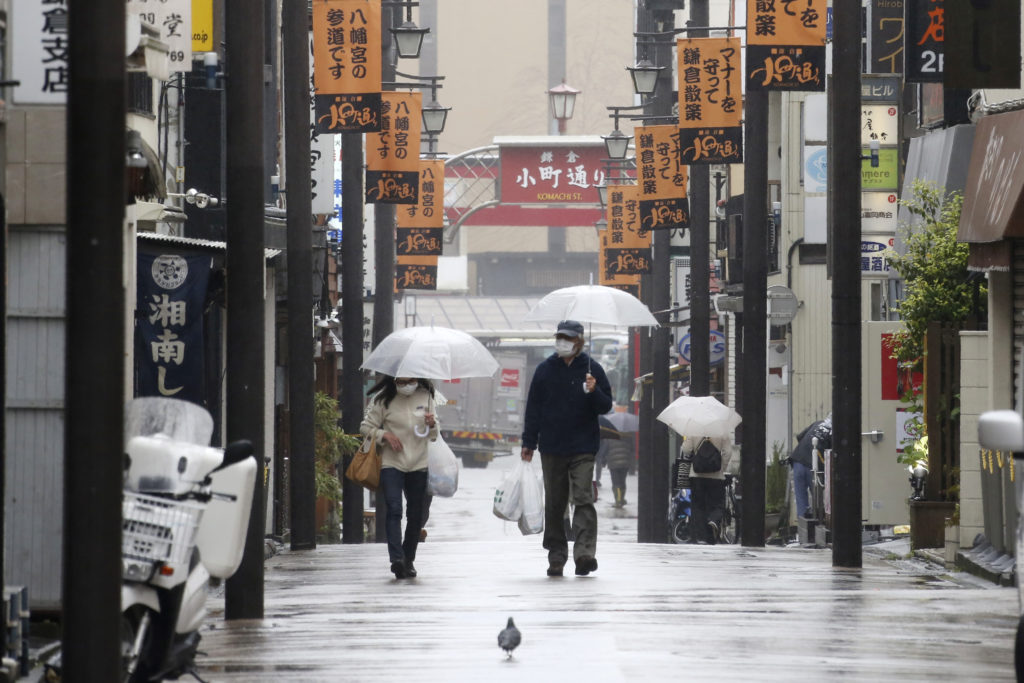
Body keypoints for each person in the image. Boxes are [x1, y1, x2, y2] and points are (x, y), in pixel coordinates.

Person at [521, 320, 613, 577]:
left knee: (583, 497)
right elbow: (533, 409)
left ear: (579, 342)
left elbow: (605, 406)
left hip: (583, 446)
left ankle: (584, 553)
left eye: (569, 338)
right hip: (552, 447)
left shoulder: (592, 369)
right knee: (555, 502)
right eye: (560, 337)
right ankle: (557, 554)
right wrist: (529, 442)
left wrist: (594, 391)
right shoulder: (544, 370)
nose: (563, 342)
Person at [360, 375, 438, 579]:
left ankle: (408, 559)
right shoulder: (383, 399)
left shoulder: (427, 397)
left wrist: (432, 424)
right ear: (393, 379)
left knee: (415, 514)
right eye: (401, 381)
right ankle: (396, 559)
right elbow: (365, 427)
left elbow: (434, 435)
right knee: (394, 509)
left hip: (419, 463)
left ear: (417, 378)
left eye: (409, 380)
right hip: (391, 462)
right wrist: (384, 435)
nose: (405, 385)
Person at [685, 435, 732, 544]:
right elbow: (728, 452)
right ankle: (713, 521)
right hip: (716, 476)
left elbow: (686, 449)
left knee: (698, 505)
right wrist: (721, 467)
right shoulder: (721, 430)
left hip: (697, 475)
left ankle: (702, 537)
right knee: (717, 503)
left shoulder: (694, 428)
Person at [790, 414, 832, 519]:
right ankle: (817, 526)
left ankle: (802, 527)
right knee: (817, 501)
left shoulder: (817, 423)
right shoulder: (832, 434)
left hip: (798, 460)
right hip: (813, 466)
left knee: (801, 499)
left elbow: (800, 437)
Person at [601, 433, 633, 508]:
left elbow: (605, 450)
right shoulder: (627, 437)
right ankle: (622, 499)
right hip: (625, 463)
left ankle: (618, 501)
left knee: (616, 482)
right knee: (622, 481)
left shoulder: (610, 438)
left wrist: (603, 462)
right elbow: (631, 450)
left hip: (613, 464)